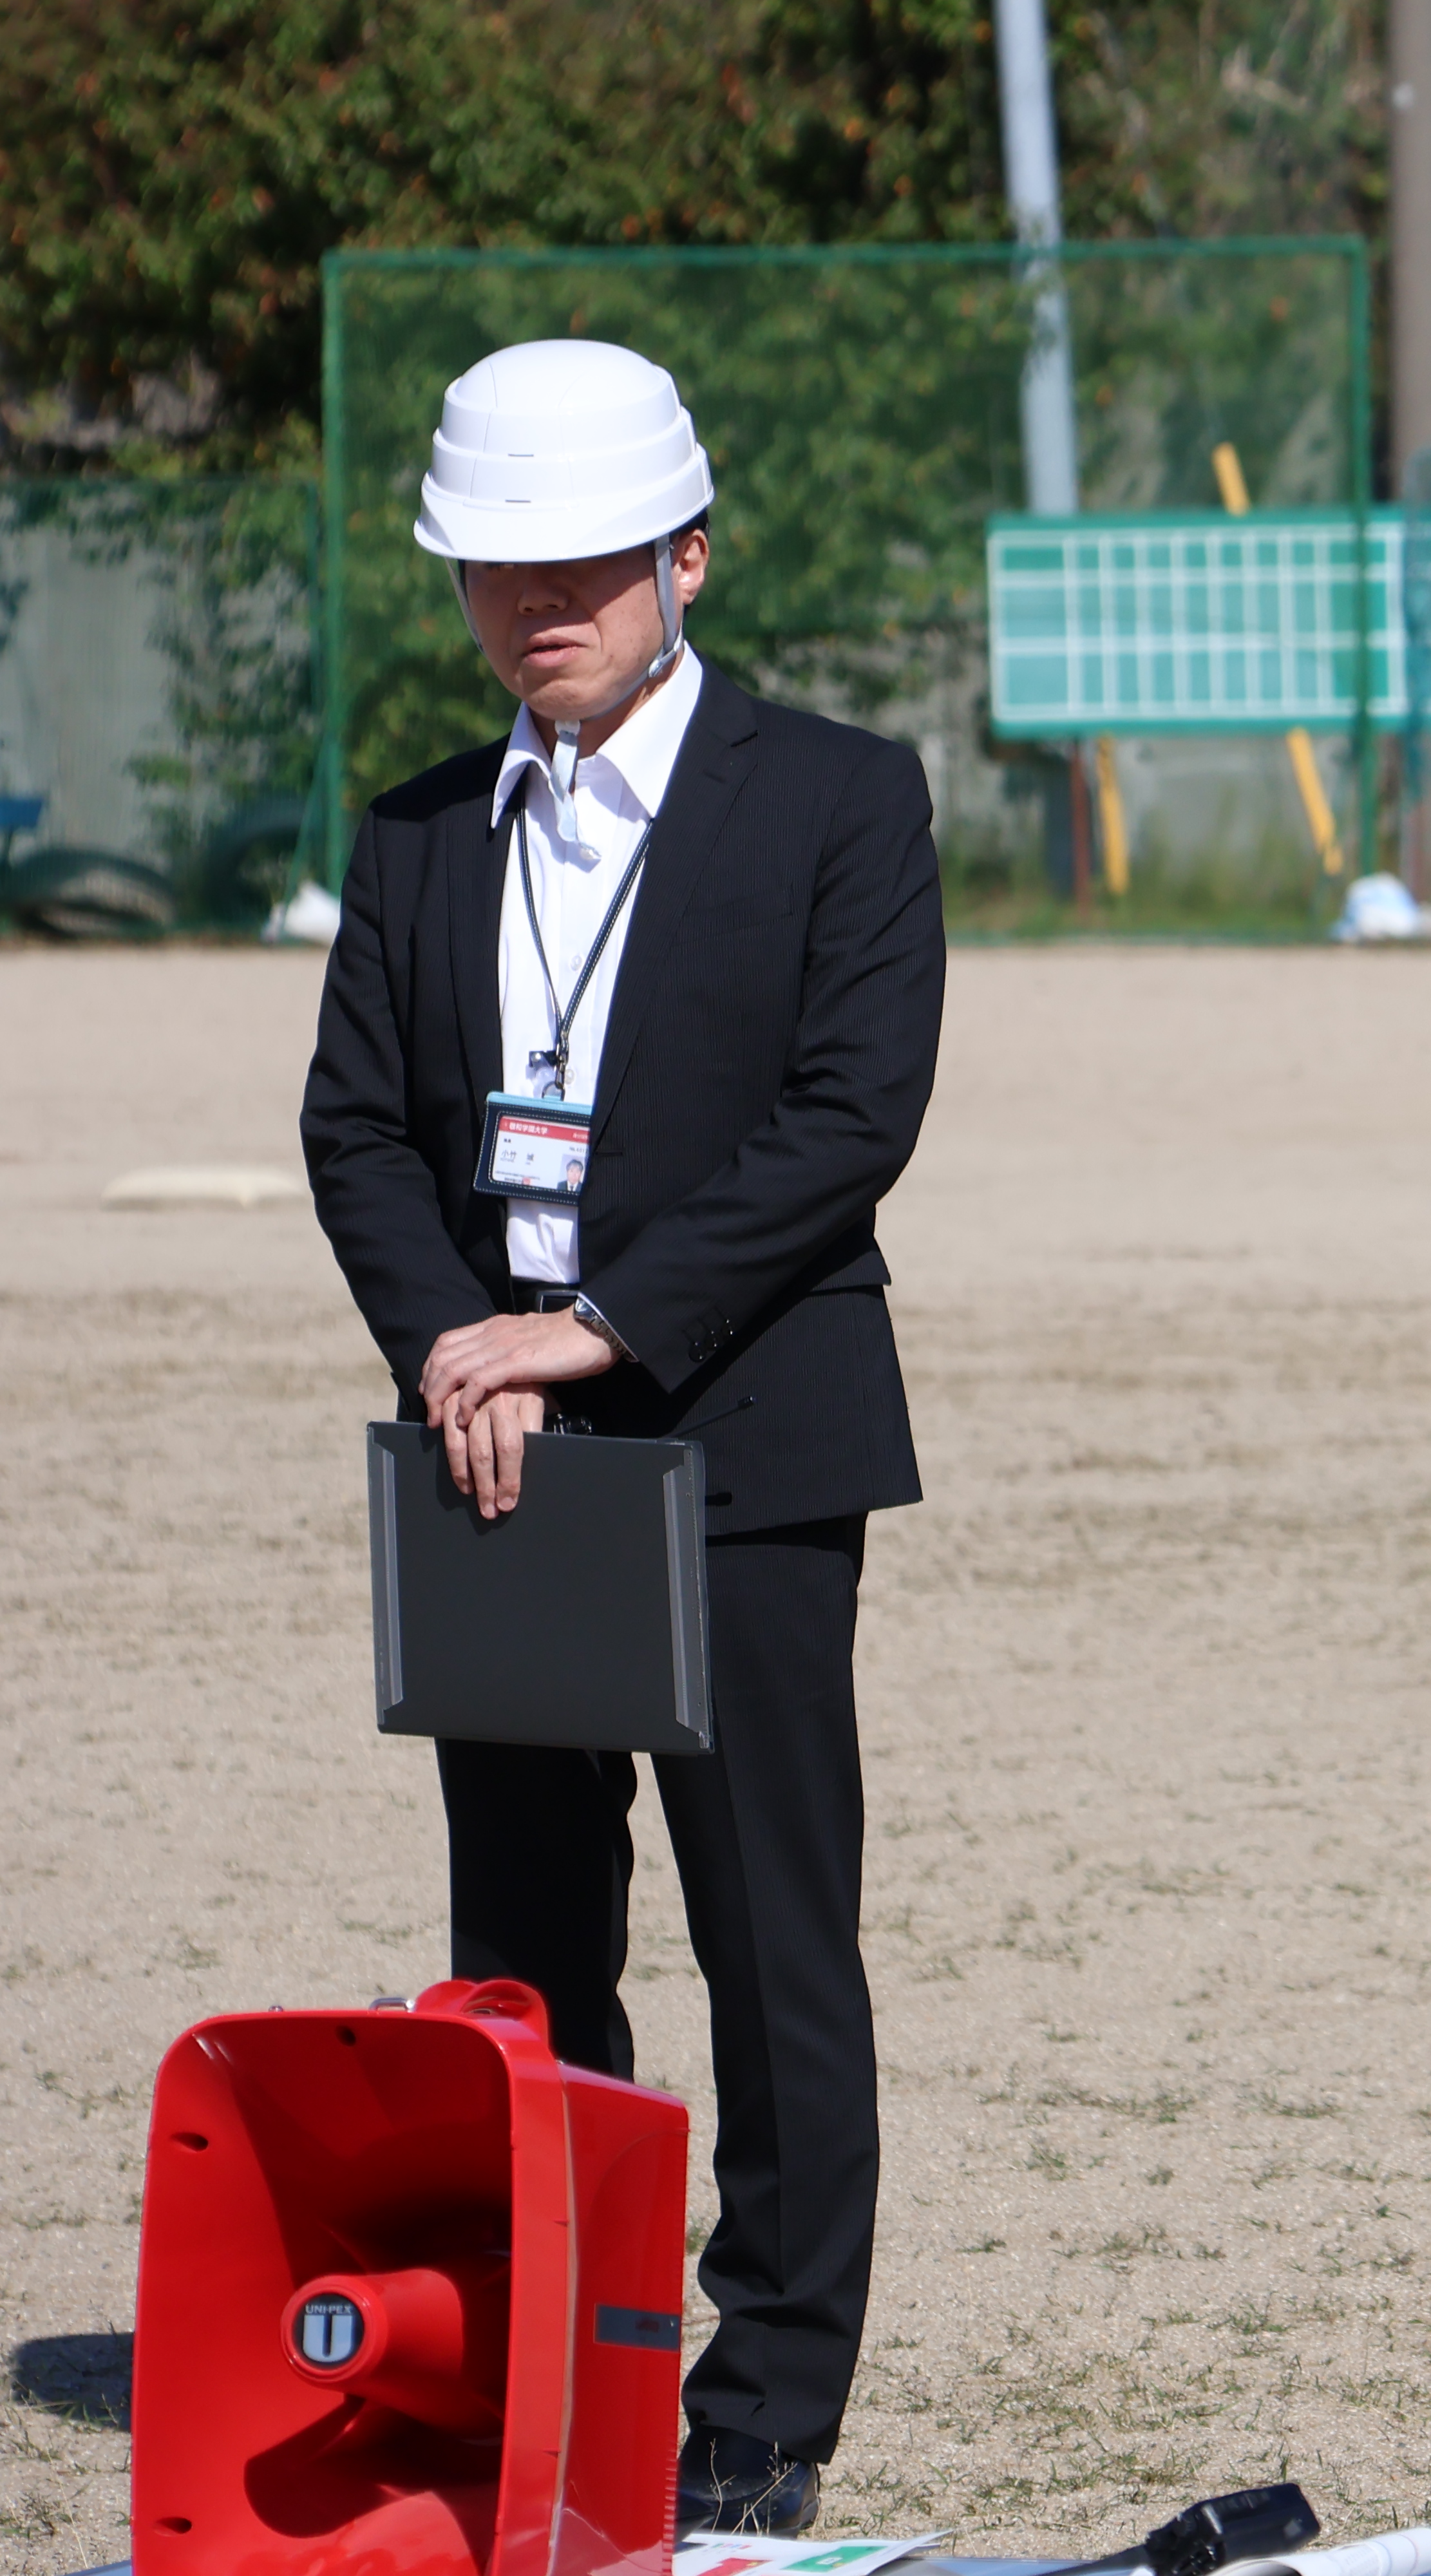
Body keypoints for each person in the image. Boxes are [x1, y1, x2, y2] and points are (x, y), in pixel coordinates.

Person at [301, 339, 945, 2539]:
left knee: (776, 1944)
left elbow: (851, 1121)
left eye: (578, 564)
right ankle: (557, 2366)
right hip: (498, 1458)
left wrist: (592, 1326)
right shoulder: (408, 836)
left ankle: (767, 2405)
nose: (535, 607)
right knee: (524, 1948)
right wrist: (454, 1347)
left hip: (748, 1448)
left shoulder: (845, 797)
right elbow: (357, 1129)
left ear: (688, 549)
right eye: (494, 572)